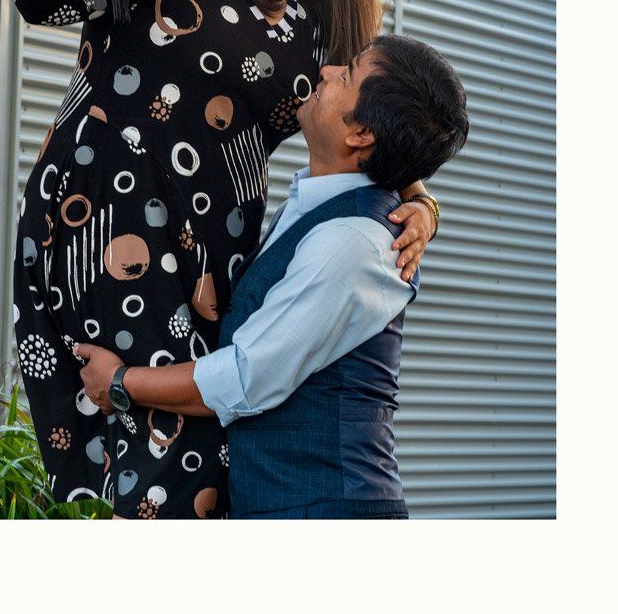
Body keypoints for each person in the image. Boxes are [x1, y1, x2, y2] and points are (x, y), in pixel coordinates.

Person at [0, 0, 439, 518]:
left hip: (209, 262)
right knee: (144, 451)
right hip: (98, 223)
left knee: (191, 466)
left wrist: (424, 208)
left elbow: (379, 142)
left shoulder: (316, 27)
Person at [75, 35, 469, 519]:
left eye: (346, 76)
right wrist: (428, 204)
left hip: (321, 510)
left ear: (361, 134)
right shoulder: (329, 210)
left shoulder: (352, 243)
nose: (327, 71)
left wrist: (119, 382)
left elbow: (244, 377)